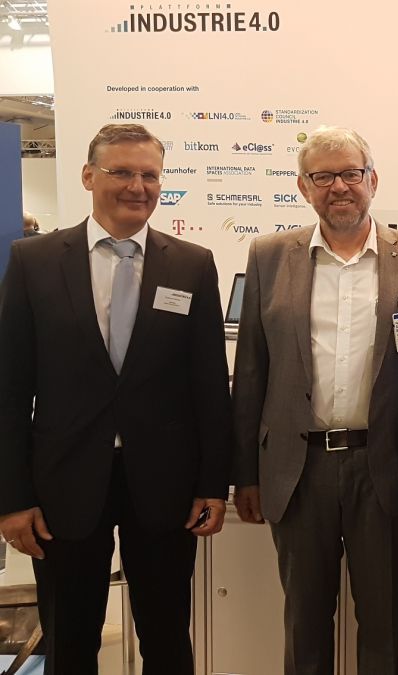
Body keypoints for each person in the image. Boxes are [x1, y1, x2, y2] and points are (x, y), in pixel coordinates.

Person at [0, 123, 232, 674]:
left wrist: (212, 484)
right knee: (71, 642)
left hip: (166, 485)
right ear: (88, 176)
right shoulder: (34, 261)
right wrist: (11, 497)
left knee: (167, 640)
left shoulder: (191, 264)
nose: (137, 186)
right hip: (64, 485)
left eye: (150, 175)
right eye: (121, 172)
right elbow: (9, 388)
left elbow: (208, 385)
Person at [231, 126, 398, 675]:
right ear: (304, 187)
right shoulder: (270, 256)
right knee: (304, 621)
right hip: (298, 469)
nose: (339, 187)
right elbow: (251, 371)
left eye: (351, 173)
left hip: (385, 465)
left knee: (385, 622)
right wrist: (245, 474)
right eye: (323, 177)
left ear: (373, 180)